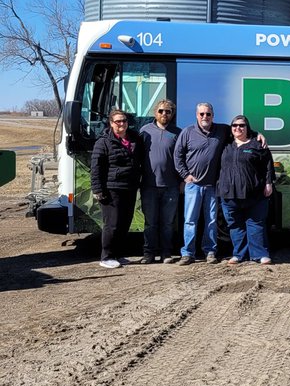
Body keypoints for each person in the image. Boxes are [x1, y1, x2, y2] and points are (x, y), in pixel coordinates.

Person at [173, 102, 230, 265]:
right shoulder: (187, 132)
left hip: (212, 186)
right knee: (190, 220)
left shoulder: (222, 130)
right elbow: (178, 156)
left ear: (213, 115)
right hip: (193, 186)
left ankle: (210, 251)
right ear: (196, 115)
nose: (205, 117)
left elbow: (241, 129)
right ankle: (188, 253)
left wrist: (257, 134)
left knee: (211, 221)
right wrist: (186, 175)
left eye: (208, 114)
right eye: (202, 114)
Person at [217, 115, 275, 265]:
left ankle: (260, 254)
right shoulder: (225, 144)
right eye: (234, 125)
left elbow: (268, 165)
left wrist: (268, 183)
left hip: (254, 193)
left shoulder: (257, 145)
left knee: (255, 224)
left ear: (247, 128)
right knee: (235, 226)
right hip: (229, 194)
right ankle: (239, 255)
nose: (238, 128)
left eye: (242, 125)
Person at [90, 108, 143, 269]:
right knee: (112, 224)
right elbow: (96, 168)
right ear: (111, 123)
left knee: (124, 223)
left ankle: (118, 254)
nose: (121, 124)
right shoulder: (103, 142)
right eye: (118, 121)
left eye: (124, 121)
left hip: (130, 187)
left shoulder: (134, 139)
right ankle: (106, 256)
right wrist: (98, 190)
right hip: (111, 188)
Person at [139, 99, 181, 264]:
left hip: (171, 186)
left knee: (168, 224)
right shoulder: (145, 131)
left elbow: (182, 158)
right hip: (149, 186)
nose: (165, 114)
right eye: (161, 111)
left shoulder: (178, 133)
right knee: (150, 223)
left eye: (168, 111)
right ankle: (148, 254)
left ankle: (166, 253)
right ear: (155, 112)